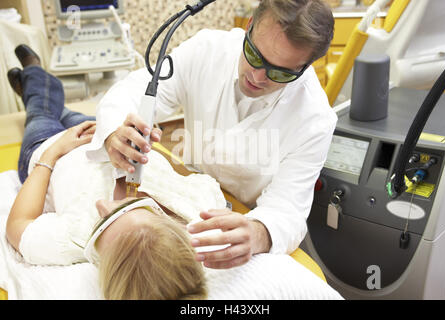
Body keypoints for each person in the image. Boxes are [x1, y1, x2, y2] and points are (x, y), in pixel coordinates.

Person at [87, 0, 337, 269]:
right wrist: (115, 129)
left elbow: (287, 209)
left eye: (279, 73)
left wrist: (257, 233)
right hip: (188, 191)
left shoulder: (314, 119)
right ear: (249, 26)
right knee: (74, 124)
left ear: (305, 67)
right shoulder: (208, 49)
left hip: (242, 213)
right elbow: (135, 90)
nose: (257, 75)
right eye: (254, 56)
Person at [5, 45, 209, 300]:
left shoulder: (74, 241)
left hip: (49, 147)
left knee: (42, 109)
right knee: (62, 109)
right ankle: (36, 85)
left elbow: (17, 225)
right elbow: (204, 183)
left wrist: (52, 154)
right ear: (167, 222)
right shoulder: (193, 210)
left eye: (101, 226)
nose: (101, 205)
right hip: (103, 132)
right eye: (124, 209)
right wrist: (131, 137)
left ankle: (33, 73)